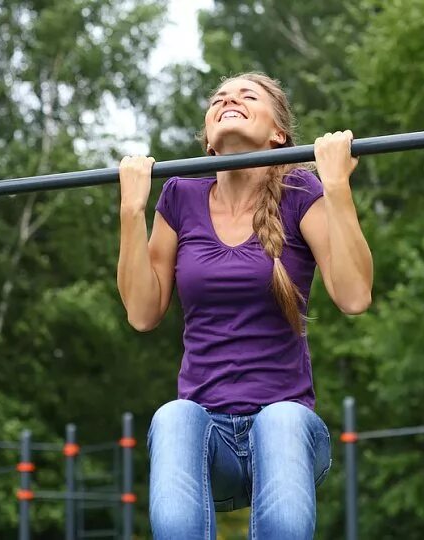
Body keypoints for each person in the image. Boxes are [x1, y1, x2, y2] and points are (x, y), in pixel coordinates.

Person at [116, 72, 373, 539]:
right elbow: (141, 312)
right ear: (209, 142)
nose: (228, 100)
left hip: (286, 440)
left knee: (280, 418)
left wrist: (336, 187)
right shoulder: (180, 195)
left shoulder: (300, 193)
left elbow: (354, 297)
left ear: (278, 133)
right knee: (173, 415)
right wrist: (131, 212)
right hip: (205, 441)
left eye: (245, 96)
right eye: (219, 99)